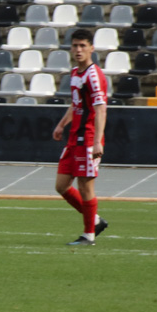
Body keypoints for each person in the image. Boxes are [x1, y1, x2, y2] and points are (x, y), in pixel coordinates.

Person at [52, 28, 109, 246]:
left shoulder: (94, 76)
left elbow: (101, 109)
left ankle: (89, 235)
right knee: (61, 186)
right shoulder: (75, 72)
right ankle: (94, 220)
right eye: (75, 45)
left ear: (91, 49)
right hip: (74, 137)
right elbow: (76, 104)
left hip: (88, 139)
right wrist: (61, 124)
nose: (78, 49)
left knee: (86, 186)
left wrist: (96, 141)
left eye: (83, 45)